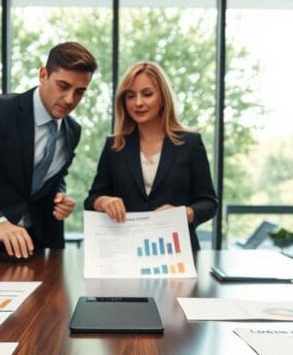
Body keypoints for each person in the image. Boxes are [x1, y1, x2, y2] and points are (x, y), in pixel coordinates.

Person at [0, 42, 97, 259]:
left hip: (32, 247)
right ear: (43, 75)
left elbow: (51, 175)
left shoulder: (72, 131)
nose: (70, 99)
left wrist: (59, 195)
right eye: (63, 86)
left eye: (79, 92)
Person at [85, 61, 218, 251]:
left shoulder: (190, 143)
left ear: (163, 97)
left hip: (178, 251)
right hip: (126, 251)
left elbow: (209, 203)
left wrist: (184, 214)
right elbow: (91, 201)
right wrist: (104, 201)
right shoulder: (114, 146)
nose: (138, 103)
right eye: (130, 96)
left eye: (147, 94)